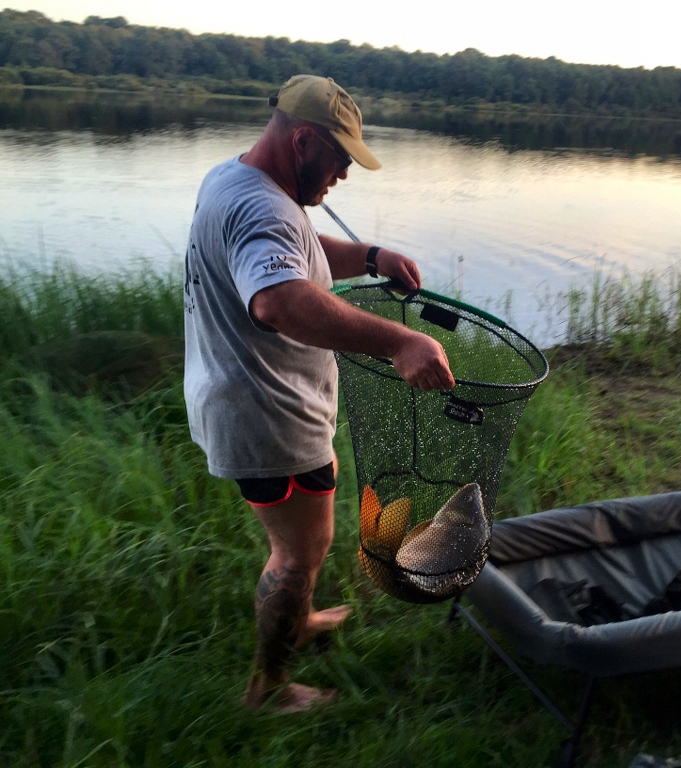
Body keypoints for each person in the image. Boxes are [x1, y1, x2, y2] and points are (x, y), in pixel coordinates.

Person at [183, 74, 455, 712]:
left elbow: (295, 252)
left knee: (308, 542)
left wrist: (371, 254)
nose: (344, 175)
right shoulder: (261, 207)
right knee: (297, 553)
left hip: (269, 404)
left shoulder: (236, 178)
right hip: (264, 414)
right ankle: (269, 689)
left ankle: (297, 625)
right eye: (337, 160)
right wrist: (399, 342)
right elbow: (279, 299)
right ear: (302, 139)